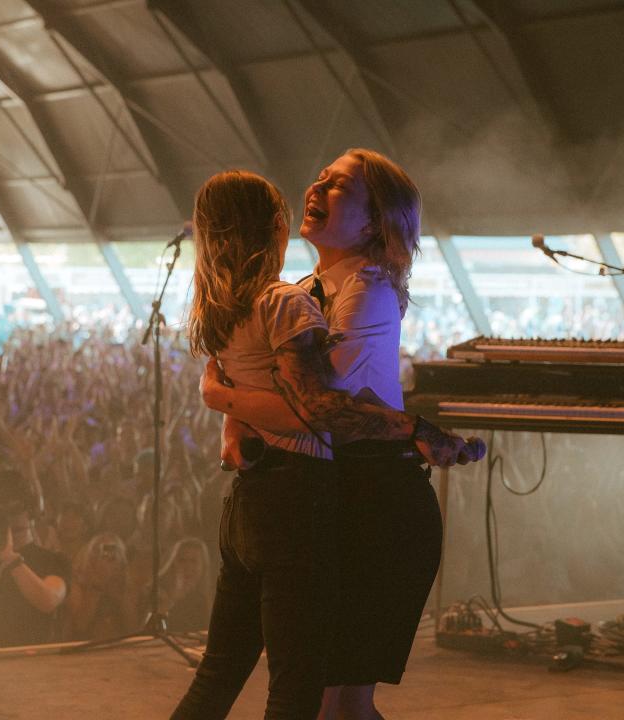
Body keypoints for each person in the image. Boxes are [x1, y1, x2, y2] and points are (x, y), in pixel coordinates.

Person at [170, 170, 475, 720]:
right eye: (318, 180)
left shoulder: (365, 291)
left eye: (337, 186)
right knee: (312, 700)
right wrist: (417, 428)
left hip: (365, 505)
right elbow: (314, 409)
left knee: (323, 699)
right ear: (276, 227)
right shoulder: (292, 297)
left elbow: (297, 405)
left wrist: (221, 397)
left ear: (375, 222)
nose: (315, 188)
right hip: (311, 502)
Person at [0, 472, 70, 648]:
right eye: (0, 509)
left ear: (30, 511)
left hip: (36, 665)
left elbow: (49, 600)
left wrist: (11, 559)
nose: (8, 517)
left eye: (15, 508)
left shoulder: (53, 561)